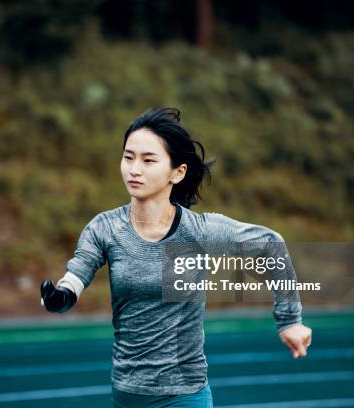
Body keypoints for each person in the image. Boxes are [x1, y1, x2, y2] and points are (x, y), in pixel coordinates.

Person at [40, 107, 312, 408]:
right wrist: (61, 296)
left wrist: (290, 321)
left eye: (148, 160)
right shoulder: (105, 228)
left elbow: (270, 244)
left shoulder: (199, 231)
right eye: (128, 157)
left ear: (177, 172)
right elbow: (77, 273)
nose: (134, 169)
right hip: (127, 395)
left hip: (184, 395)